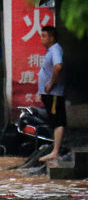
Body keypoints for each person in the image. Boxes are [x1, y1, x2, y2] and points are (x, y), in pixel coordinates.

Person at [38, 25, 67, 164]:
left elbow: (58, 66)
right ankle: (54, 149)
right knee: (54, 120)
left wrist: (50, 84)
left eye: (44, 36)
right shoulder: (51, 50)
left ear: (51, 38)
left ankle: (55, 151)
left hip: (54, 92)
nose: (41, 39)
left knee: (57, 121)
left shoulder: (55, 49)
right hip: (49, 93)